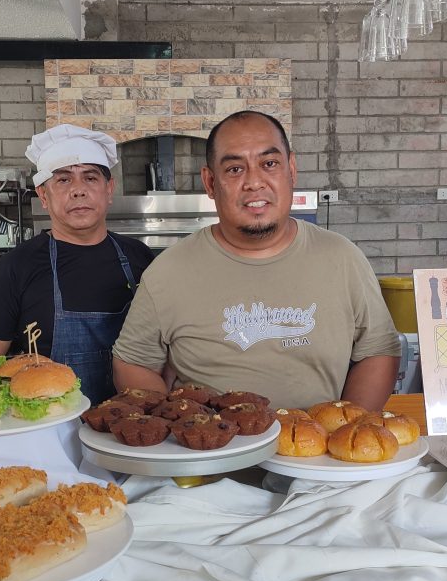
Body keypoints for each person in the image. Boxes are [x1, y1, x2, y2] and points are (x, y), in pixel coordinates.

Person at [111, 110, 401, 411]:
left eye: (269, 164)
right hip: (214, 453)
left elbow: (378, 351)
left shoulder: (343, 258)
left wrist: (347, 430)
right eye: (235, 169)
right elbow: (133, 363)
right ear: (210, 183)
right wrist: (181, 424)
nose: (254, 182)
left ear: (291, 169)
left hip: (316, 453)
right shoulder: (168, 272)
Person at [0, 124, 155, 404]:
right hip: (50, 434)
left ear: (109, 189)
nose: (78, 190)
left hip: (133, 430)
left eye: (91, 178)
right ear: (43, 196)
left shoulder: (141, 258)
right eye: (63, 180)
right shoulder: (15, 268)